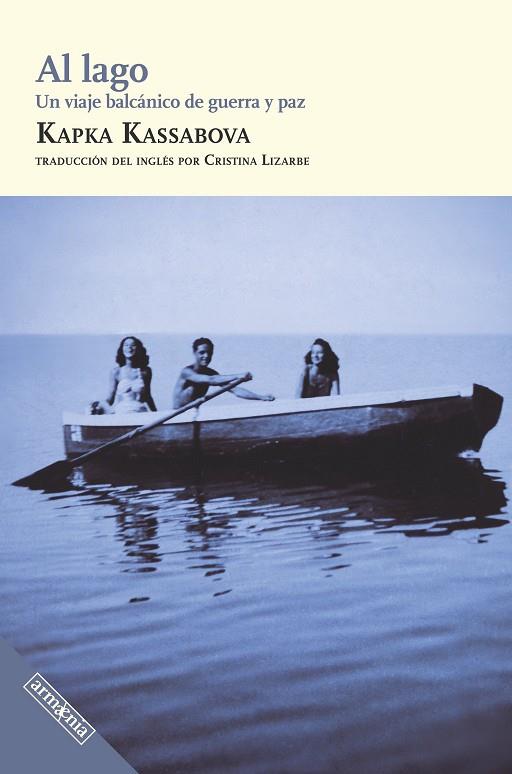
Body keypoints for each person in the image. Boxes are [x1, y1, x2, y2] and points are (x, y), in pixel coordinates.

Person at [173, 337, 275, 408]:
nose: (206, 356)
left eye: (209, 353)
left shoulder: (211, 373)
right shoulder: (186, 372)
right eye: (202, 352)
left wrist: (261, 397)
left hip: (192, 415)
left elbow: (235, 390)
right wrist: (238, 376)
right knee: (192, 388)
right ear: (194, 353)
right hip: (176, 417)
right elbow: (210, 380)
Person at [90, 336, 157, 414]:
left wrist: (157, 413)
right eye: (126, 345)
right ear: (122, 349)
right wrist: (98, 406)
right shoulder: (116, 372)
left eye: (133, 345)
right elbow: (110, 399)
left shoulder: (145, 371)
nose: (129, 348)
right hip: (122, 412)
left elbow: (148, 396)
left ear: (138, 348)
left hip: (140, 411)